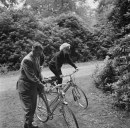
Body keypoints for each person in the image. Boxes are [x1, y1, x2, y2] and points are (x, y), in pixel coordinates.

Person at [16, 42, 51, 128]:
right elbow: (32, 76)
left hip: (33, 86)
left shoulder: (37, 57)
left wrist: (43, 79)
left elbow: (38, 72)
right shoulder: (27, 60)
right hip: (25, 87)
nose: (40, 55)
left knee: (33, 107)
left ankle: (30, 124)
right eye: (38, 53)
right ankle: (27, 126)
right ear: (33, 50)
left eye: (41, 53)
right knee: (28, 109)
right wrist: (42, 85)